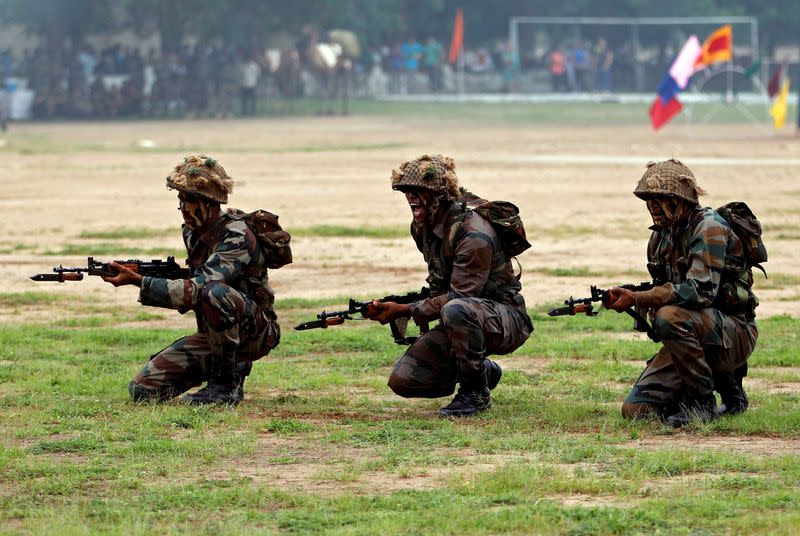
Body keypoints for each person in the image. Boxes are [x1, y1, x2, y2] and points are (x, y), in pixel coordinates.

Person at [102, 155, 283, 405]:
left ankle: (226, 385)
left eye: (191, 200)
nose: (184, 207)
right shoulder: (192, 232)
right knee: (143, 390)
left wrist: (139, 281)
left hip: (256, 332)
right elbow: (195, 279)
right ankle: (226, 367)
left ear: (210, 203)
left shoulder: (238, 236)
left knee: (214, 292)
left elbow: (200, 288)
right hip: (215, 335)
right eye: (181, 199)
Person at [365, 154, 533, 417]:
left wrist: (404, 310)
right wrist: (404, 306)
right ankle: (483, 371)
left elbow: (459, 297)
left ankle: (474, 394)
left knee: (457, 310)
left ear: (441, 195)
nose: (411, 198)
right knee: (405, 380)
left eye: (420, 192)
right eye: (407, 191)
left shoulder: (473, 233)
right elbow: (439, 289)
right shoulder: (422, 226)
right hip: (465, 314)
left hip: (506, 319)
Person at [606, 159, 758, 427]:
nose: (653, 205)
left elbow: (699, 292)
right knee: (635, 411)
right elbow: (666, 294)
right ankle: (718, 386)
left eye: (661, 198)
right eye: (649, 199)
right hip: (695, 331)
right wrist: (637, 303)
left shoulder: (709, 227)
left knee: (670, 317)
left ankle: (703, 401)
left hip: (734, 332)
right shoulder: (659, 238)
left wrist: (641, 298)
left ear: (681, 200)